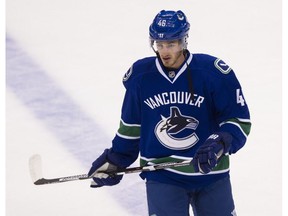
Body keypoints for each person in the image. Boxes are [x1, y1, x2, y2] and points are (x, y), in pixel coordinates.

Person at [88, 10, 251, 216]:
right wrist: (116, 159)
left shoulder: (213, 73)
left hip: (211, 173)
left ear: (183, 42)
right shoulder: (141, 77)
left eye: (171, 44)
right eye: (159, 44)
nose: (164, 51)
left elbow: (238, 119)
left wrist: (219, 143)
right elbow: (132, 127)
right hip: (162, 174)